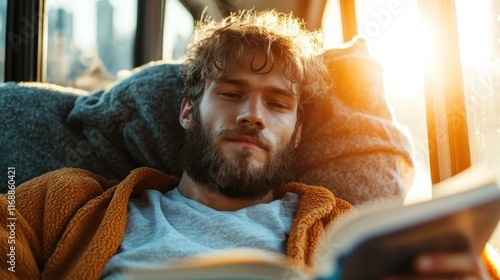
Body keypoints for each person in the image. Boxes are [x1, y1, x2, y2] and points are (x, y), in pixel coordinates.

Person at [0, 9, 494, 280]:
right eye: (231, 93)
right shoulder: (68, 203)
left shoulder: (344, 231)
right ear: (188, 110)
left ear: (298, 132)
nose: (252, 115)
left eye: (278, 104)